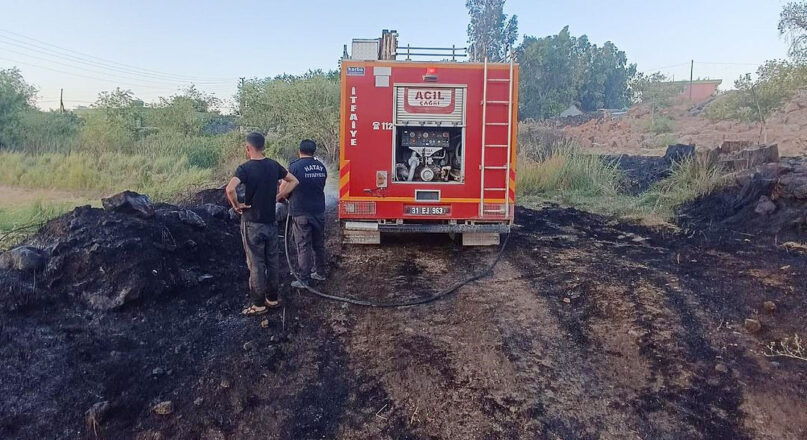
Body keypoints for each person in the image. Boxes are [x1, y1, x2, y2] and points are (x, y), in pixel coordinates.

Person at [226, 132, 298, 316]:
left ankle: (258, 305)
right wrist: (280, 196)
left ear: (248, 148)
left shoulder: (245, 168)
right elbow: (294, 181)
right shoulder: (273, 165)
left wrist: (237, 205)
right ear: (263, 146)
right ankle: (272, 299)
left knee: (256, 264)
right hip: (271, 222)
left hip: (252, 223)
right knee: (272, 261)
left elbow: (230, 188)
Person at [283, 139, 328, 288]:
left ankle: (304, 279)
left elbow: (284, 188)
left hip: (301, 212)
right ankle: (321, 272)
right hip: (319, 211)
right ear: (313, 151)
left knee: (303, 245)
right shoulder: (321, 167)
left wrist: (282, 196)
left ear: (299, 150)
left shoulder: (294, 167)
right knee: (318, 243)